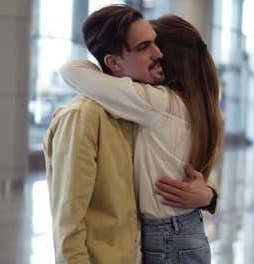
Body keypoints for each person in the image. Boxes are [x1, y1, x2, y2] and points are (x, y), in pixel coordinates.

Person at [44, 5, 218, 264]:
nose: (157, 53)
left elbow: (193, 168)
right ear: (113, 61)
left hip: (155, 243)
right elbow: (68, 221)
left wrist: (209, 193)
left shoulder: (151, 107)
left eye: (157, 45)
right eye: (144, 46)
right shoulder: (88, 116)